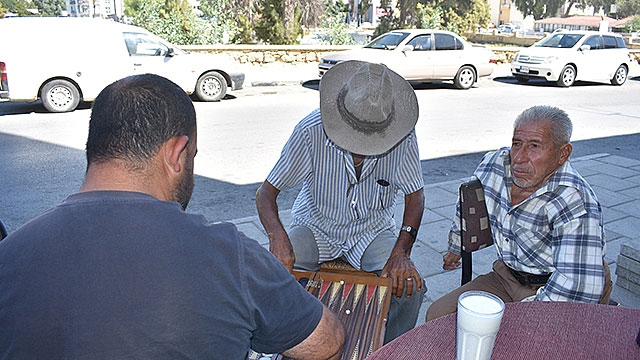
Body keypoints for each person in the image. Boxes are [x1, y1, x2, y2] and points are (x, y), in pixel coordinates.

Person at [0, 74, 345, 359]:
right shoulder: (228, 255)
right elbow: (326, 342)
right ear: (176, 153)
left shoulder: (10, 254)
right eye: (192, 155)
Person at [255, 60, 426, 343]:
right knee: (274, 276)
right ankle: (289, 344)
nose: (362, 150)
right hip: (316, 224)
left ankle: (388, 349)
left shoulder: (403, 136)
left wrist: (401, 252)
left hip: (371, 230)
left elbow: (415, 196)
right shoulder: (310, 130)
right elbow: (266, 193)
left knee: (409, 289)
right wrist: (277, 237)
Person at [426, 105, 610, 321]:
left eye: (534, 146)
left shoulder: (573, 201)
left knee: (517, 343)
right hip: (506, 277)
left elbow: (575, 289)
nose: (519, 158)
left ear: (563, 154)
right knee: (438, 317)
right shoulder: (495, 164)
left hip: (557, 287)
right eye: (516, 144)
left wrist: (520, 321)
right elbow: (468, 202)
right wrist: (456, 247)